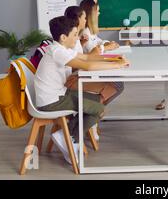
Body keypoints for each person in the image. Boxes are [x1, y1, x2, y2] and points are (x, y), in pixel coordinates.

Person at [34, 16, 129, 164]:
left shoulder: (62, 48)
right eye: (74, 35)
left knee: (98, 101)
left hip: (59, 94)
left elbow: (87, 58)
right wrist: (117, 66)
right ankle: (71, 139)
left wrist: (114, 59)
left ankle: (66, 135)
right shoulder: (57, 52)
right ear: (63, 37)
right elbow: (88, 66)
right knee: (100, 110)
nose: (77, 38)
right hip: (52, 101)